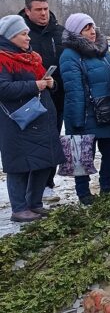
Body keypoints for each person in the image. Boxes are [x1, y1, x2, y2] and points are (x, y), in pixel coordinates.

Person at [0, 14, 63, 222]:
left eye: (28, 33)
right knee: (19, 166)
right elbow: (3, 88)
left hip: (40, 119)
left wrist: (50, 83)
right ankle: (19, 208)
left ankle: (35, 203)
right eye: (23, 34)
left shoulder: (32, 57)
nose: (28, 38)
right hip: (17, 122)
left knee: (44, 161)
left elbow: (42, 82)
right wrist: (35, 85)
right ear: (10, 36)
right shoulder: (2, 59)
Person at [59, 13, 110, 205]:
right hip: (85, 114)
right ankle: (84, 193)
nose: (92, 31)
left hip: (108, 112)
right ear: (76, 32)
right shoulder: (70, 55)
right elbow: (74, 90)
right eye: (86, 29)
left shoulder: (102, 51)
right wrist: (77, 121)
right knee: (83, 155)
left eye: (92, 27)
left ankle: (107, 187)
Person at [19, 0, 65, 199]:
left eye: (46, 9)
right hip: (28, 98)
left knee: (52, 140)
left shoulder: (59, 32)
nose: (44, 13)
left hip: (57, 96)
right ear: (27, 11)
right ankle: (27, 186)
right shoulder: (20, 33)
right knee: (31, 143)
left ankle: (47, 182)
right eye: (38, 10)